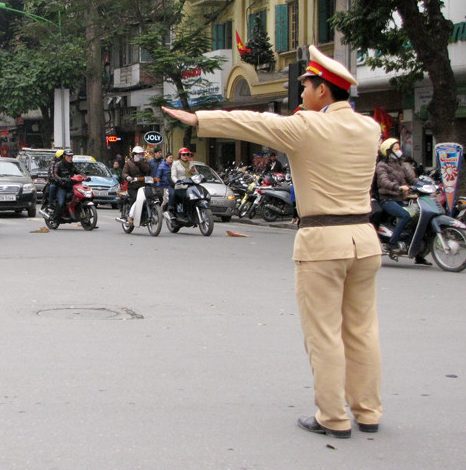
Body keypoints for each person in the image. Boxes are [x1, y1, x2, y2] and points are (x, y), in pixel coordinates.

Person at [163, 44, 382, 439]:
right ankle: (368, 412)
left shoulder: (308, 126)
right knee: (363, 330)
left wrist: (198, 118)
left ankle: (333, 417)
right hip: (364, 241)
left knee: (325, 334)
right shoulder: (370, 128)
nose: (302, 94)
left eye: (306, 87)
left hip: (323, 242)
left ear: (323, 91)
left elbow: (255, 122)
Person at [375, 138, 428, 264]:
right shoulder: (382, 166)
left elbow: (412, 179)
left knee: (418, 219)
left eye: (399, 148)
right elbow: (383, 181)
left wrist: (425, 185)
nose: (399, 151)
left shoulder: (401, 165)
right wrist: (398, 187)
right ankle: (392, 243)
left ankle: (417, 253)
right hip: (387, 199)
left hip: (400, 199)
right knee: (405, 215)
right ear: (388, 151)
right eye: (396, 149)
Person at [121, 145, 151, 226]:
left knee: (147, 199)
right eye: (139, 154)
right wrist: (127, 177)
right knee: (135, 199)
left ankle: (144, 216)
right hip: (133, 186)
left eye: (142, 154)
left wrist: (140, 162)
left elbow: (147, 169)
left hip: (143, 186)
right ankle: (130, 216)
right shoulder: (128, 163)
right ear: (134, 154)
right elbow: (124, 173)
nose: (141, 155)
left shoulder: (144, 162)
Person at [51, 149, 77, 221]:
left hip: (71, 186)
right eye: (68, 156)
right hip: (62, 187)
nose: (70, 158)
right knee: (61, 203)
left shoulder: (72, 165)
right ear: (64, 156)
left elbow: (78, 171)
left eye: (71, 156)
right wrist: (61, 179)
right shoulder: (58, 165)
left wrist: (85, 176)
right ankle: (56, 219)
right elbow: (55, 175)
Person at [169, 147, 195, 218]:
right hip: (180, 187)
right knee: (185, 197)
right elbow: (173, 176)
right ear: (180, 155)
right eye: (183, 154)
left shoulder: (191, 164)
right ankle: (182, 214)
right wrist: (177, 181)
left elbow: (196, 175)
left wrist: (193, 171)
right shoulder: (175, 164)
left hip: (191, 187)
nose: (185, 156)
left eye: (187, 154)